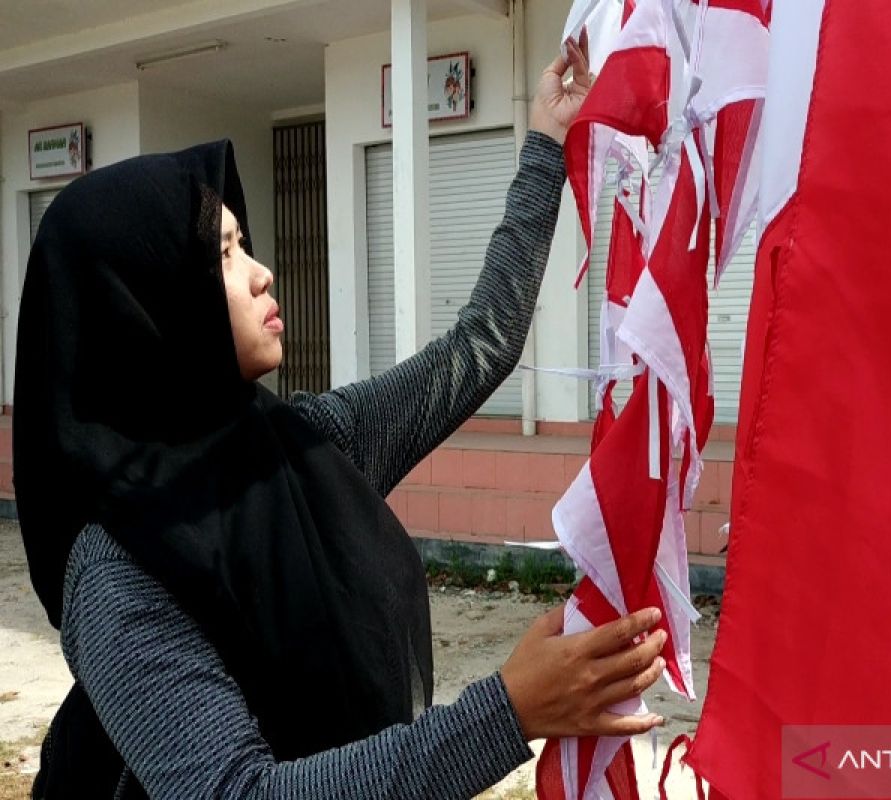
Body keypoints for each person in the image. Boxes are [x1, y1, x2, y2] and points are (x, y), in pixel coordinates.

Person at [15, 36, 668, 799]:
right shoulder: (118, 568)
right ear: (146, 310)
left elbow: (481, 344)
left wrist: (546, 142)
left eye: (245, 244)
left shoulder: (308, 446)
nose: (261, 272)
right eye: (222, 254)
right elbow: (237, 792)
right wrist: (509, 712)